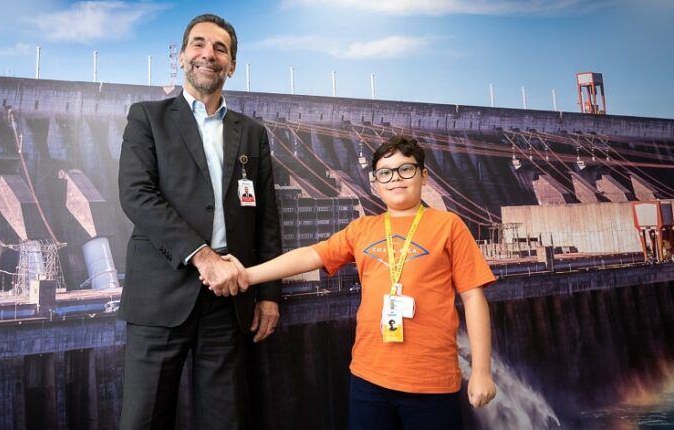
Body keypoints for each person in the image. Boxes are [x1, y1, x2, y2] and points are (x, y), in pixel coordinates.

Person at [218, 136, 497, 429]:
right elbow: (311, 255)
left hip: (432, 383)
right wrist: (248, 275)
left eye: (406, 169)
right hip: (369, 379)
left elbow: (473, 297)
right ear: (374, 182)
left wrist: (481, 372)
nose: (395, 179)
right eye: (385, 173)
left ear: (424, 176)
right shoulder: (363, 228)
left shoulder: (449, 225)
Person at [117, 13, 282, 430]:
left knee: (226, 420)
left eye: (220, 48)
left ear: (231, 65)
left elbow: (266, 219)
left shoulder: (252, 133)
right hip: (161, 298)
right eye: (199, 44)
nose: (208, 54)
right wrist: (202, 256)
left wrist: (270, 295)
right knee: (143, 420)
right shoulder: (147, 117)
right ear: (183, 56)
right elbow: (137, 194)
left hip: (228, 302)